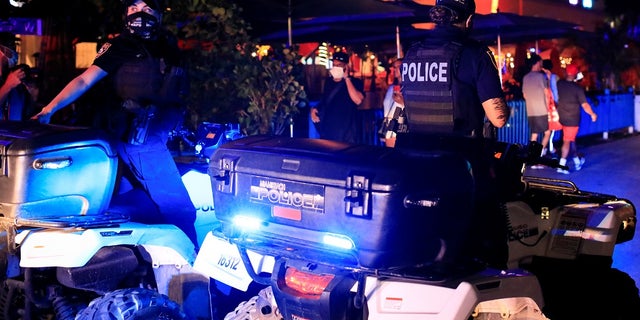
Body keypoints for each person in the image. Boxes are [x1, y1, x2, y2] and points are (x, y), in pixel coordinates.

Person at [32, 0, 198, 247]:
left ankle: (139, 264)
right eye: (133, 9)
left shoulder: (168, 45)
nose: (140, 14)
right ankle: (191, 270)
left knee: (132, 203)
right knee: (180, 209)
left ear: (159, 16)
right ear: (125, 16)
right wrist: (49, 109)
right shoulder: (120, 45)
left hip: (160, 135)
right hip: (140, 138)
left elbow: (175, 91)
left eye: (147, 9)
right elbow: (84, 80)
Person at [397, 0, 511, 268]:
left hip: (415, 162)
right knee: (485, 233)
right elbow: (498, 117)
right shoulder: (475, 54)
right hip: (462, 163)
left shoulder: (412, 54)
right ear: (468, 20)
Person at [310, 51, 364, 143]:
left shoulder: (355, 82)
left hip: (347, 133)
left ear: (346, 67)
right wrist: (314, 109)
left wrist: (347, 79)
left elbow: (358, 100)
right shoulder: (328, 82)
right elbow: (324, 101)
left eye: (339, 65)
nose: (335, 67)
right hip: (328, 131)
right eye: (334, 65)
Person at [555, 64, 597, 174]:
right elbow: (585, 105)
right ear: (575, 75)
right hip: (572, 118)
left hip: (562, 116)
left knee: (570, 139)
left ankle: (577, 161)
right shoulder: (578, 88)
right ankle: (561, 166)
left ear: (566, 73)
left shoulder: (560, 84)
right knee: (567, 141)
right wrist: (592, 114)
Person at [522, 53, 551, 167]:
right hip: (541, 110)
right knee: (547, 133)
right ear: (537, 63)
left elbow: (524, 95)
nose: (542, 65)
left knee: (534, 134)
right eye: (541, 63)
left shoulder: (525, 77)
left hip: (531, 111)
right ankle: (538, 157)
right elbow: (547, 93)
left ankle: (532, 158)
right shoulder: (541, 76)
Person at [379, 58, 407, 147]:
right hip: (388, 125)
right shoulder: (392, 87)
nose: (395, 69)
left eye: (398, 66)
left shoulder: (408, 88)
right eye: (394, 67)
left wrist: (403, 103)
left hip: (399, 126)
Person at [542, 59, 562, 156]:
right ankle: (549, 147)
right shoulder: (555, 77)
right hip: (555, 105)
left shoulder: (542, 77)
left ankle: (548, 147)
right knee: (551, 127)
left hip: (545, 105)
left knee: (548, 128)